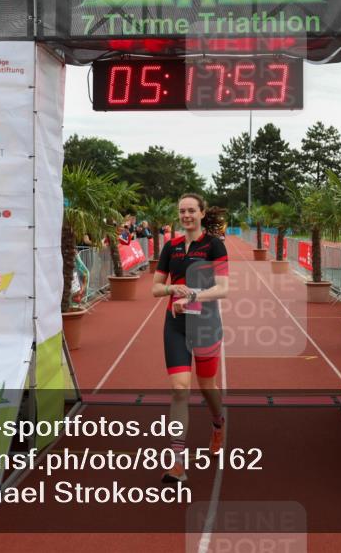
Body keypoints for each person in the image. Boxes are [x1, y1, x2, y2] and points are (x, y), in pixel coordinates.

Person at [151, 193, 229, 483]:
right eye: (182, 211)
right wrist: (173, 291)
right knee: (179, 389)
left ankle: (217, 424)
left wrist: (194, 294)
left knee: (207, 386)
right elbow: (155, 288)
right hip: (175, 325)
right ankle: (177, 463)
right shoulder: (170, 247)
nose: (186, 215)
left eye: (191, 211)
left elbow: (223, 288)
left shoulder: (214, 245)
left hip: (206, 324)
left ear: (201, 213)